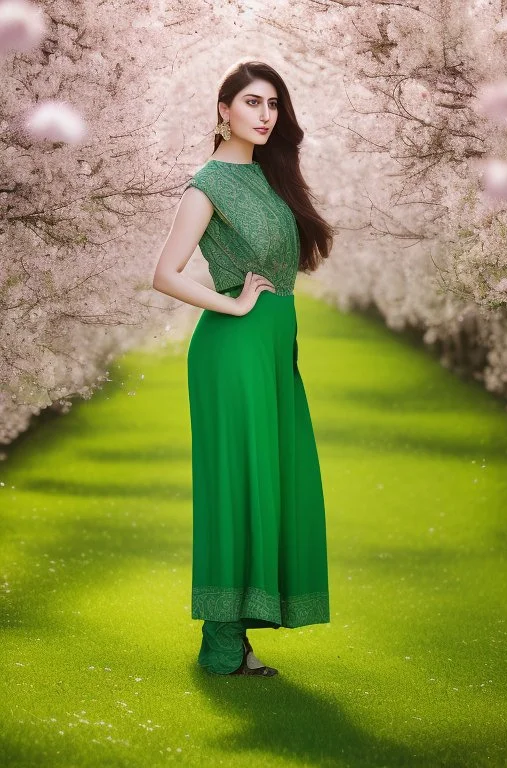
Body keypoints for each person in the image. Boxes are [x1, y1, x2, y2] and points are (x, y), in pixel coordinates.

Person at [153, 59, 335, 677]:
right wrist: (232, 301)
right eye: (253, 102)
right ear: (223, 109)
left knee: (273, 484)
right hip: (231, 351)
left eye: (273, 105)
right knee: (237, 488)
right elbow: (165, 272)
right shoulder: (206, 184)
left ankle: (236, 638)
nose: (265, 115)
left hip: (273, 348)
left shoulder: (270, 179)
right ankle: (223, 645)